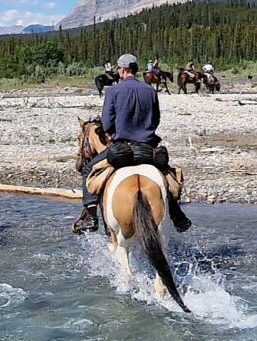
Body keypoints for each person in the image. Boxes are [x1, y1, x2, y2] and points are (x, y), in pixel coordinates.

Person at [74, 53, 191, 234]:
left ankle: (90, 216)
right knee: (168, 174)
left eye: (118, 69)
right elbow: (155, 120)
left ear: (122, 70)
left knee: (89, 169)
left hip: (121, 150)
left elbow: (106, 123)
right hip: (147, 149)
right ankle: (176, 213)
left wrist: (114, 132)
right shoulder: (150, 90)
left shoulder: (113, 91)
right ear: (135, 70)